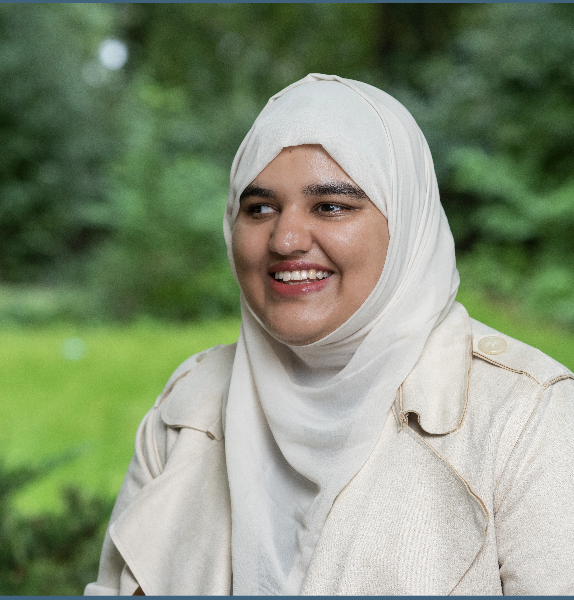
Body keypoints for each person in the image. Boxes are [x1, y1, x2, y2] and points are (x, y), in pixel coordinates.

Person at [84, 74, 574, 596]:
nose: (286, 238)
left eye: (331, 206)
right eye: (260, 208)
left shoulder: (527, 418)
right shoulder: (188, 407)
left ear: (406, 223)